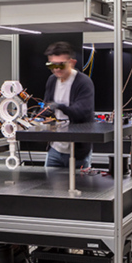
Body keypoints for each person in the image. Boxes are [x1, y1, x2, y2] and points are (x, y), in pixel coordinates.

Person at [38, 41, 96, 170]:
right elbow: (47, 106)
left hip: (78, 151)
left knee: (80, 182)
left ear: (72, 62)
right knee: (48, 181)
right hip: (55, 149)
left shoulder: (83, 82)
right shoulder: (52, 80)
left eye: (61, 65)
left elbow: (81, 111)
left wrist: (59, 106)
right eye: (52, 65)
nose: (57, 69)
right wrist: (41, 114)